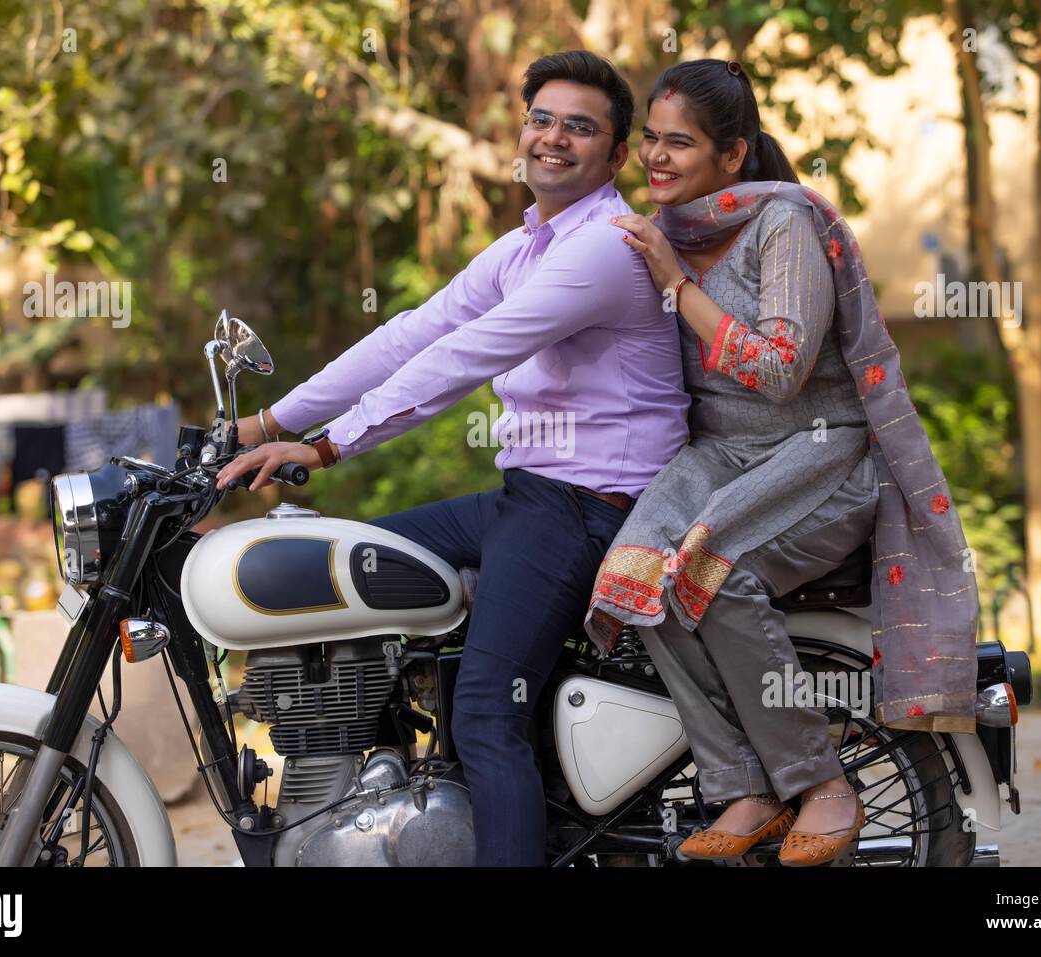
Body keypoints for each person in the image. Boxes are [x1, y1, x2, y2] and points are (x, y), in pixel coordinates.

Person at [215, 51, 690, 866]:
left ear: (615, 157)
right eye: (542, 118)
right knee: (345, 573)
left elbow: (468, 353)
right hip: (528, 498)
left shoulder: (603, 249)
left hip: (585, 508)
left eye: (581, 127)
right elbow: (416, 330)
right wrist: (262, 424)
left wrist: (330, 444)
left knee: (484, 710)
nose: (554, 138)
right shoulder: (527, 247)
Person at [586, 59, 979, 865]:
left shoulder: (783, 223)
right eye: (651, 140)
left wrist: (673, 282)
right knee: (636, 577)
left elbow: (779, 369)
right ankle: (745, 787)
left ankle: (822, 781)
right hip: (722, 454)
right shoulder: (673, 227)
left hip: (819, 454)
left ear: (733, 156)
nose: (657, 157)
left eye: (681, 143)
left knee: (715, 573)